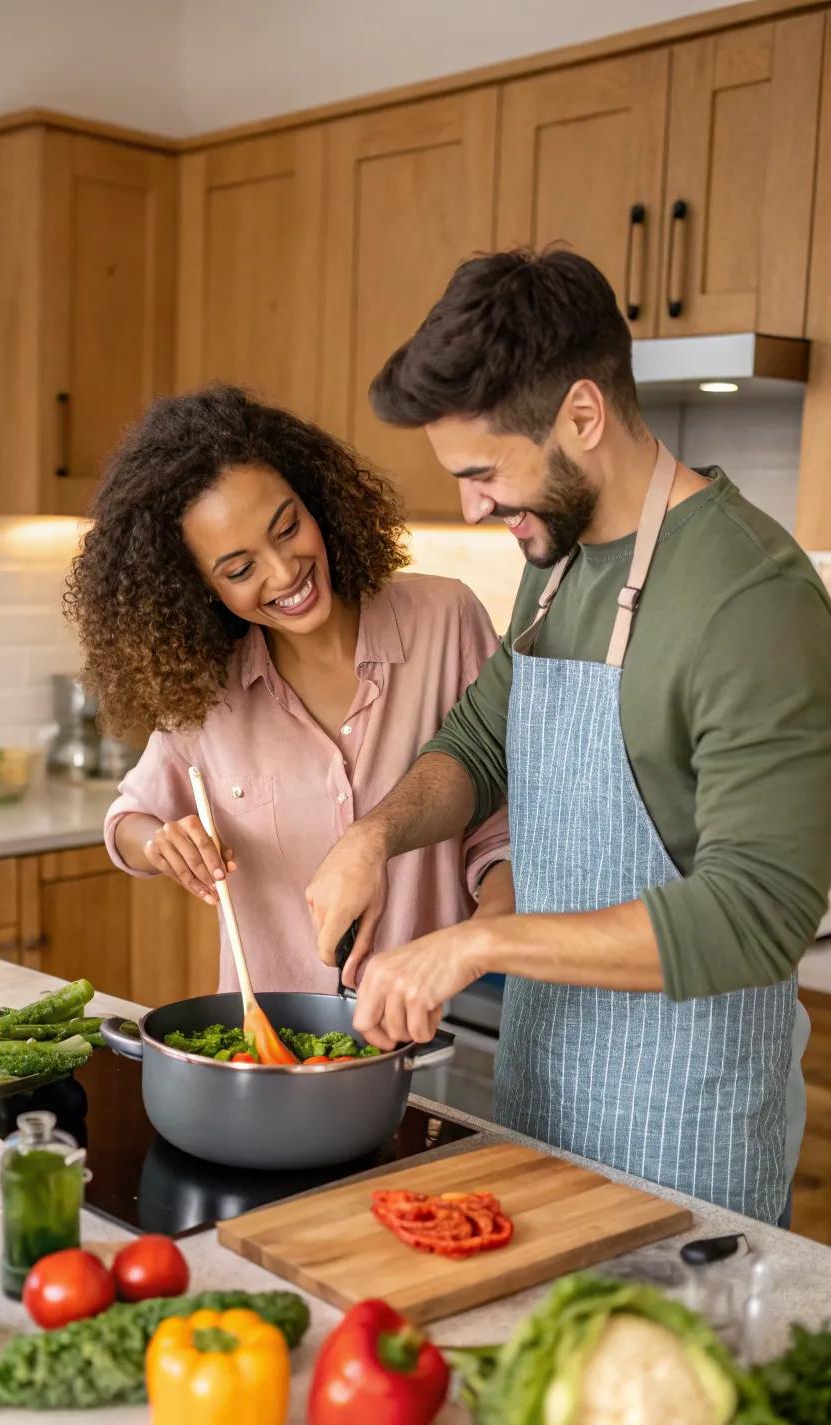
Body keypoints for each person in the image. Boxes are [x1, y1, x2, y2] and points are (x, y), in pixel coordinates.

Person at [307, 249, 831, 1224]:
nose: (470, 505)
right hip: (544, 1098)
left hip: (685, 1136)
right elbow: (478, 739)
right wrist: (371, 835)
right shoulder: (559, 561)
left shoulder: (749, 596)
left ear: (581, 417)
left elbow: (762, 915)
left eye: (482, 472)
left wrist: (473, 943)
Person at [64, 384, 510, 996]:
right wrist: (162, 843)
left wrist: (478, 947)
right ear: (198, 589)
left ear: (315, 498)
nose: (285, 572)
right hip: (275, 1056)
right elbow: (127, 822)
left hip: (434, 1039)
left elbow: (508, 830)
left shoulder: (446, 621)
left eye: (288, 526)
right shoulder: (207, 693)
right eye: (240, 569)